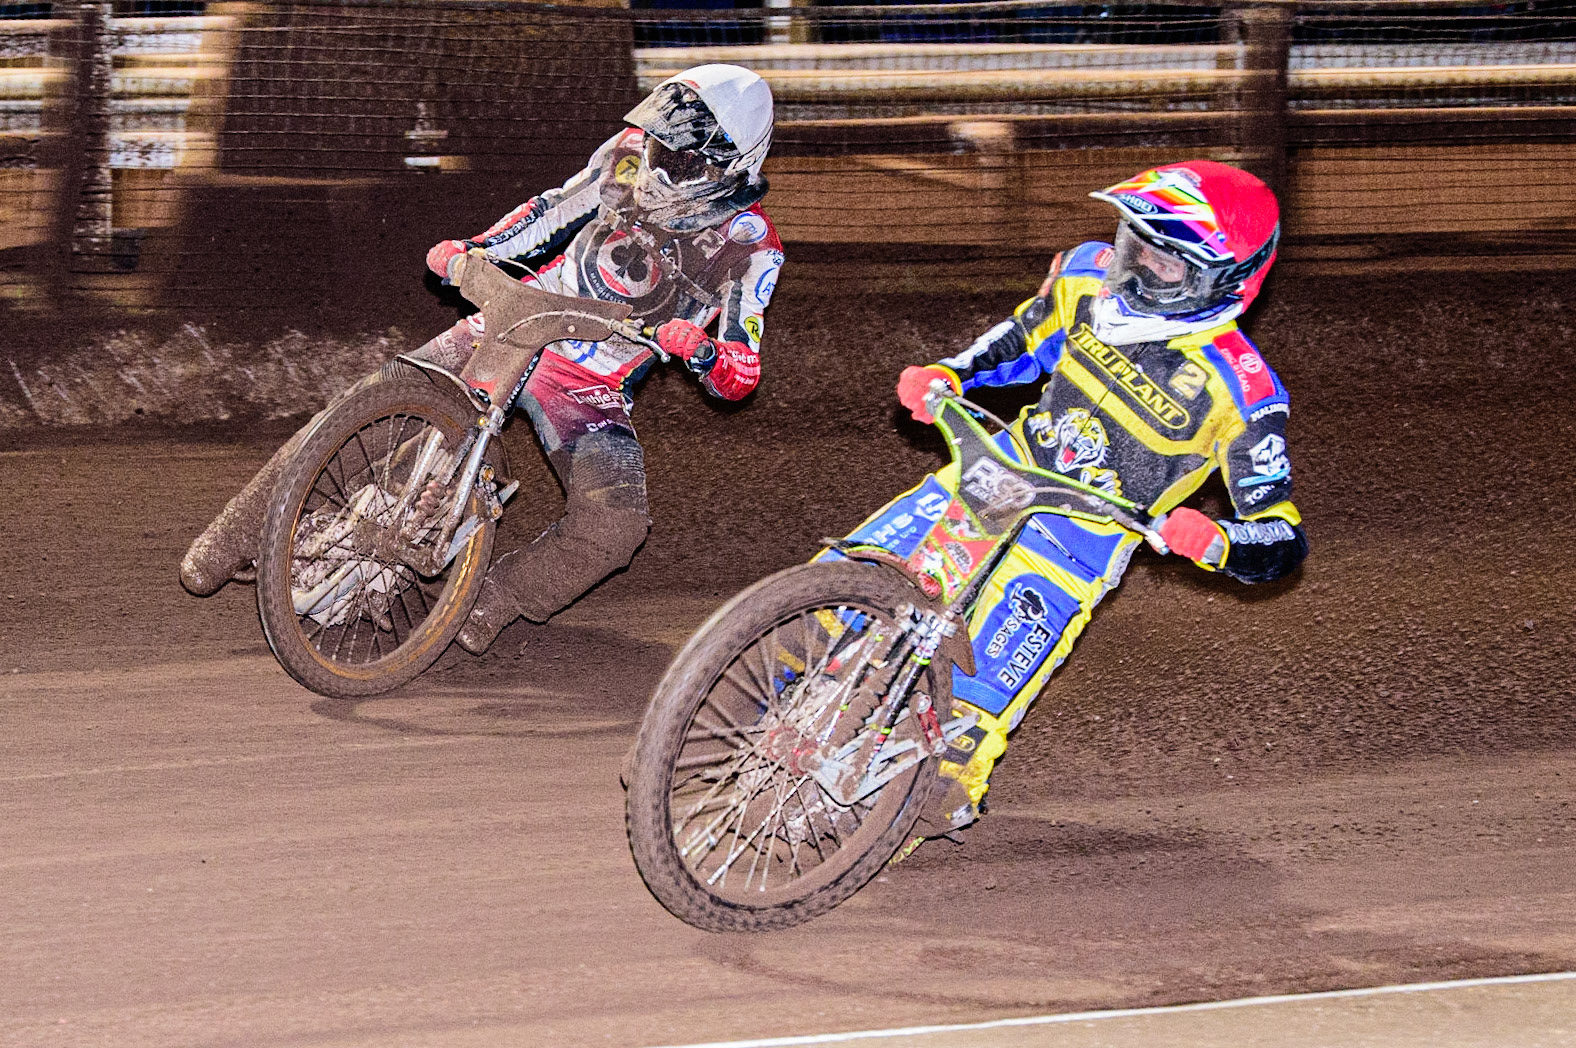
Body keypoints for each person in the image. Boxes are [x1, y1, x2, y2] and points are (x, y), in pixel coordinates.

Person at [180, 63, 783, 655]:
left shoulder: (751, 247)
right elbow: (551, 208)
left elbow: (740, 374)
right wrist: (476, 250)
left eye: (680, 155)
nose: (658, 160)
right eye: (660, 138)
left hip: (589, 378)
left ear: (731, 164)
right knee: (371, 401)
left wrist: (702, 351)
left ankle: (488, 601)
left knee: (614, 527)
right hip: (516, 317)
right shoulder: (629, 152)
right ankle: (232, 535)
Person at [893, 160, 1306, 829]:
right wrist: (952, 373)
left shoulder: (1244, 391)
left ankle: (930, 785)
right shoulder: (1086, 273)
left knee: (955, 739)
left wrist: (1219, 539)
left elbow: (1283, 535)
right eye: (1134, 244)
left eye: (1164, 264)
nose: (1136, 269)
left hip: (1078, 542)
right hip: (996, 474)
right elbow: (1027, 336)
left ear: (1222, 280)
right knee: (839, 592)